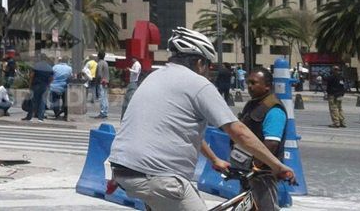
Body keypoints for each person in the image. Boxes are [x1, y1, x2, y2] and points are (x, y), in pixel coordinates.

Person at [109, 27, 294, 211]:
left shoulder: (153, 77)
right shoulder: (198, 84)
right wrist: (277, 165)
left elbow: (186, 132)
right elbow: (238, 132)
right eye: (208, 65)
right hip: (159, 176)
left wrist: (214, 159)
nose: (208, 71)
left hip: (123, 170)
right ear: (199, 63)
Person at [232, 67, 288, 211]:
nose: (249, 86)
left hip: (263, 172)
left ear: (267, 86)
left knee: (265, 207)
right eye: (248, 82)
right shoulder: (254, 104)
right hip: (248, 169)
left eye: (254, 83)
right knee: (246, 207)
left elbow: (272, 142)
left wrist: (256, 166)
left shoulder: (274, 109)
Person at [22, 53, 53, 122]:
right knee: (42, 101)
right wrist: (48, 84)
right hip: (45, 86)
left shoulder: (36, 65)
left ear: (40, 58)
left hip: (36, 85)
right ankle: (40, 118)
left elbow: (32, 76)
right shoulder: (49, 67)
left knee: (33, 101)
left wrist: (29, 85)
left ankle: (30, 117)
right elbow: (51, 78)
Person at [94, 51, 109, 119]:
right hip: (106, 82)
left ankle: (102, 112)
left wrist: (97, 80)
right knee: (105, 97)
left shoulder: (100, 63)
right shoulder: (106, 63)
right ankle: (105, 111)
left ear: (98, 56)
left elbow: (99, 74)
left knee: (102, 98)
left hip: (101, 82)